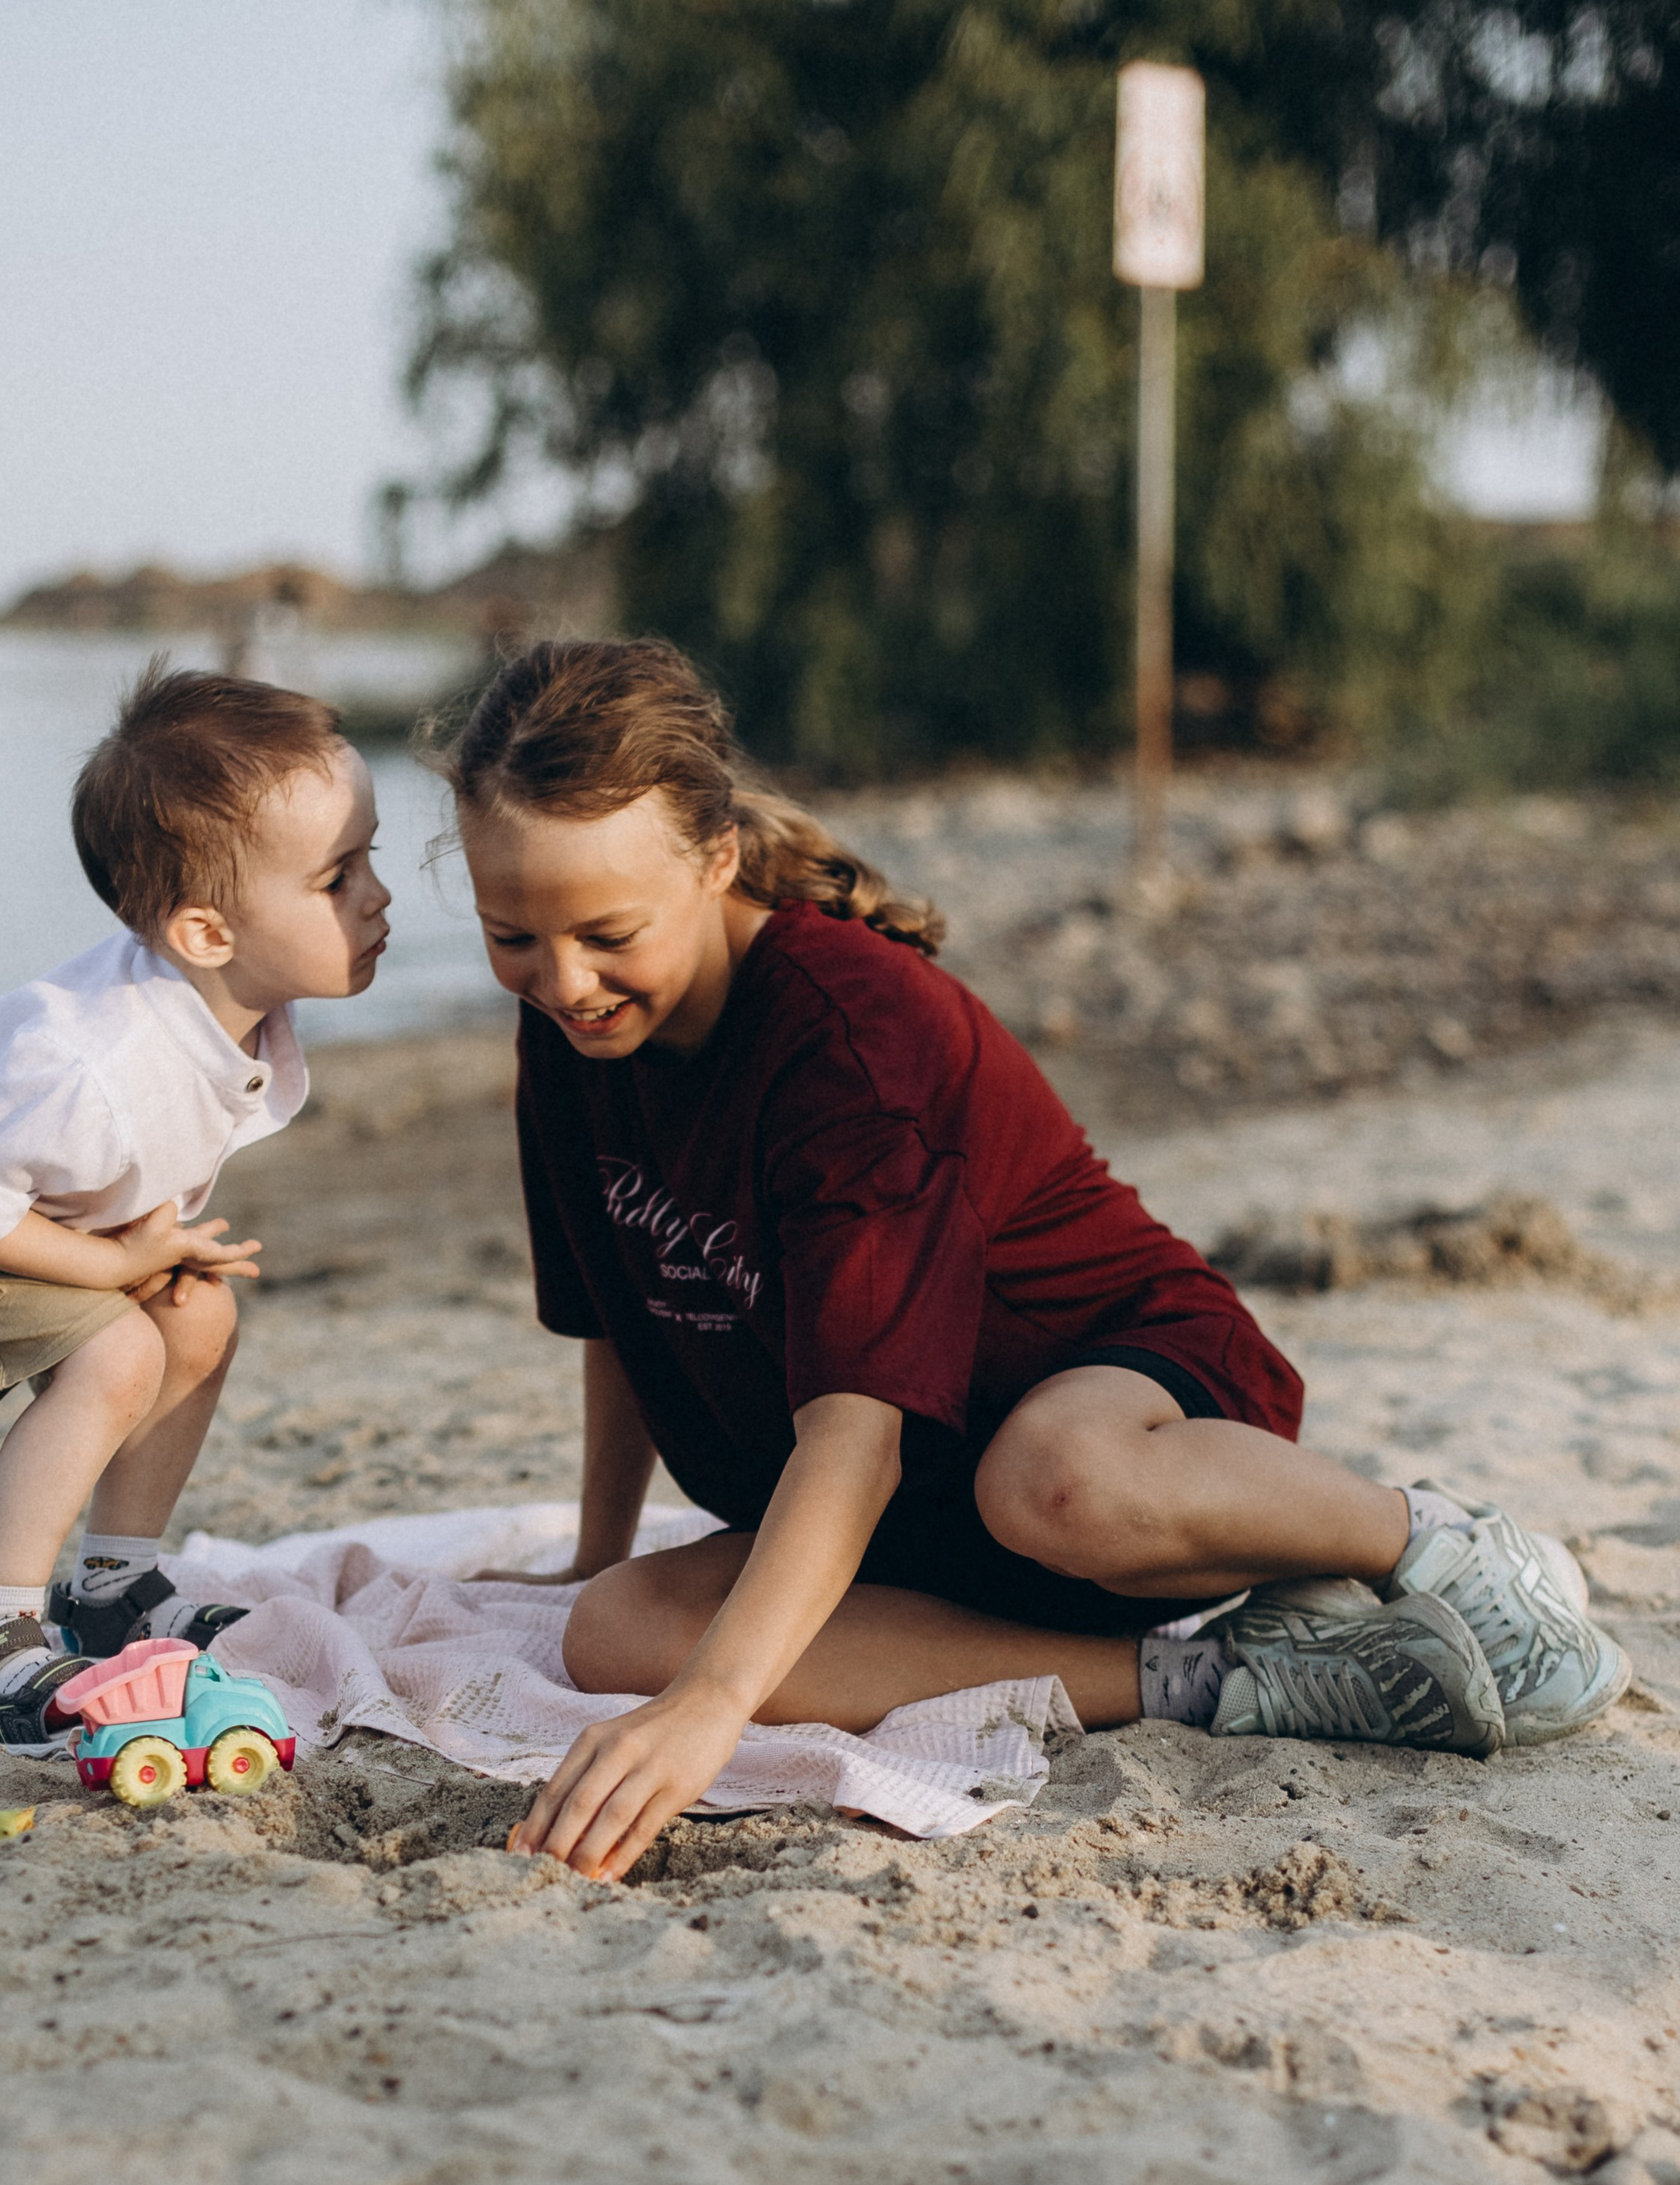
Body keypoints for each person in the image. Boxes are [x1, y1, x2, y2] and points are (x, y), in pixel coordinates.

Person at [437, 638, 1628, 1881]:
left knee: (1052, 1479)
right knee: (617, 1633)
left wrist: (714, 1708)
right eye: (511, 936)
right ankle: (1240, 1676)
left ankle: (1426, 1541)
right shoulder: (573, 1041)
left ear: (716, 857)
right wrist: (596, 1549)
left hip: (1121, 1425)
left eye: (607, 931)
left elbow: (857, 1435)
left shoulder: (849, 1035)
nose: (565, 983)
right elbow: (622, 1317)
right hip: (917, 1521)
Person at [0, 659, 391, 1752]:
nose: (378, 897)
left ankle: (112, 1590)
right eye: (337, 877)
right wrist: (109, 1267)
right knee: (115, 1356)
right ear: (208, 934)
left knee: (197, 1313)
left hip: (6, 1199)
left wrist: (138, 1248)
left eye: (371, 860)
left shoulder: (228, 1009)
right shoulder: (94, 1064)